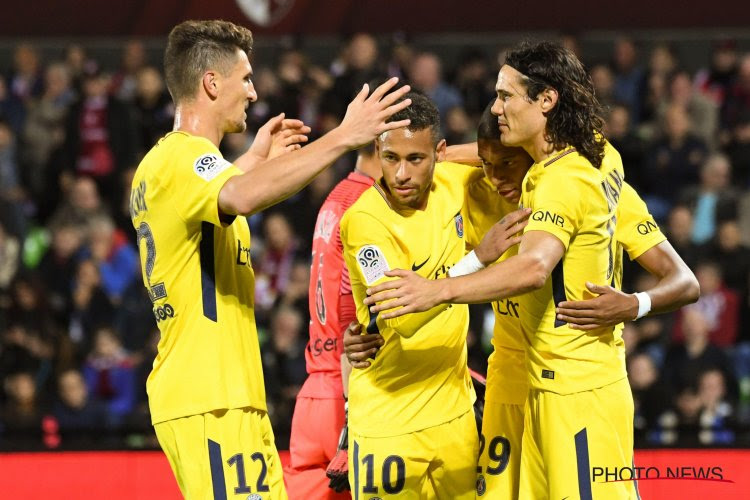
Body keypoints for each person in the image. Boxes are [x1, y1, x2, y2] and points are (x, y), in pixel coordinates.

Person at [347, 102, 699, 499]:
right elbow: (434, 154)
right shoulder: (468, 189)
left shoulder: (587, 181)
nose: (496, 179)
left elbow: (685, 280)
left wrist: (636, 304)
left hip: (575, 383)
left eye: (508, 165)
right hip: (507, 380)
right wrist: (365, 327)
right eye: (486, 165)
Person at [129, 19, 412, 499]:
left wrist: (256, 159)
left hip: (226, 395)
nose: (254, 93)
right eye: (245, 79)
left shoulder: (170, 166)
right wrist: (344, 136)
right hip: (210, 396)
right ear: (211, 83)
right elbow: (237, 197)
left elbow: (212, 200)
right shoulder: (183, 157)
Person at [339, 92, 525, 499]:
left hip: (454, 417)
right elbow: (401, 318)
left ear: (439, 153)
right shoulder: (364, 223)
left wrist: (456, 155)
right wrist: (477, 259)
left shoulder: (452, 182)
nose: (402, 173)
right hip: (389, 422)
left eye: (416, 159)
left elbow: (519, 149)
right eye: (390, 158)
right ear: (377, 152)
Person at [285, 142, 380, 499]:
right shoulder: (369, 204)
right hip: (348, 390)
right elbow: (350, 313)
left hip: (313, 394)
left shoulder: (336, 197)